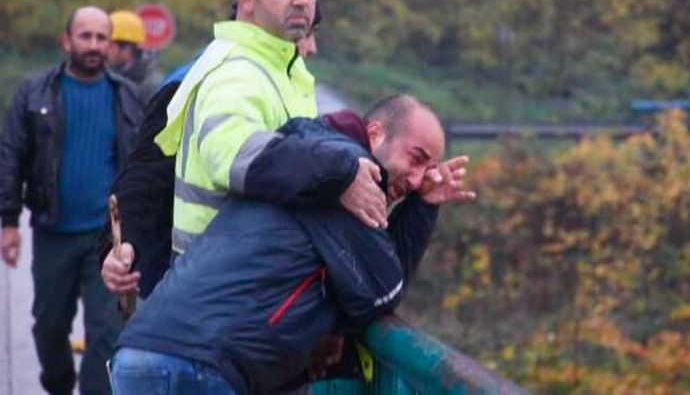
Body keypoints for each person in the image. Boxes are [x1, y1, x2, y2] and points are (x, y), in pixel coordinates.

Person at [109, 95, 475, 394]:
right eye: (416, 159)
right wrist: (423, 207)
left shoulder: (309, 159)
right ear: (375, 134)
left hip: (143, 352)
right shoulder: (350, 176)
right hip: (199, 366)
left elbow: (362, 272)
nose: (415, 179)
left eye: (426, 172)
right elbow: (381, 291)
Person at [153, 0, 387, 258]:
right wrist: (338, 173)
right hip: (222, 283)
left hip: (247, 274)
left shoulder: (283, 66)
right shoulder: (234, 69)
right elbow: (234, 153)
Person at [98, 4, 323, 300]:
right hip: (182, 284)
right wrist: (123, 244)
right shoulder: (193, 80)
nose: (312, 48)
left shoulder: (290, 85)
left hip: (254, 279)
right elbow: (146, 175)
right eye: (305, 36)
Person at [0, 6, 144, 395]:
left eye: (102, 37)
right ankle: (59, 387)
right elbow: (11, 155)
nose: (94, 45)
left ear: (110, 45)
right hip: (53, 233)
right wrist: (8, 222)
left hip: (109, 242)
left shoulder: (128, 97)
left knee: (106, 334)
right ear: (67, 41)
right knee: (49, 328)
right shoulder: (35, 93)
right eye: (86, 36)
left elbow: (145, 167)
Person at [108, 10, 164, 105]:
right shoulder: (108, 76)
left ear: (125, 47)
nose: (105, 49)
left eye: (110, 45)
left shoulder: (151, 85)